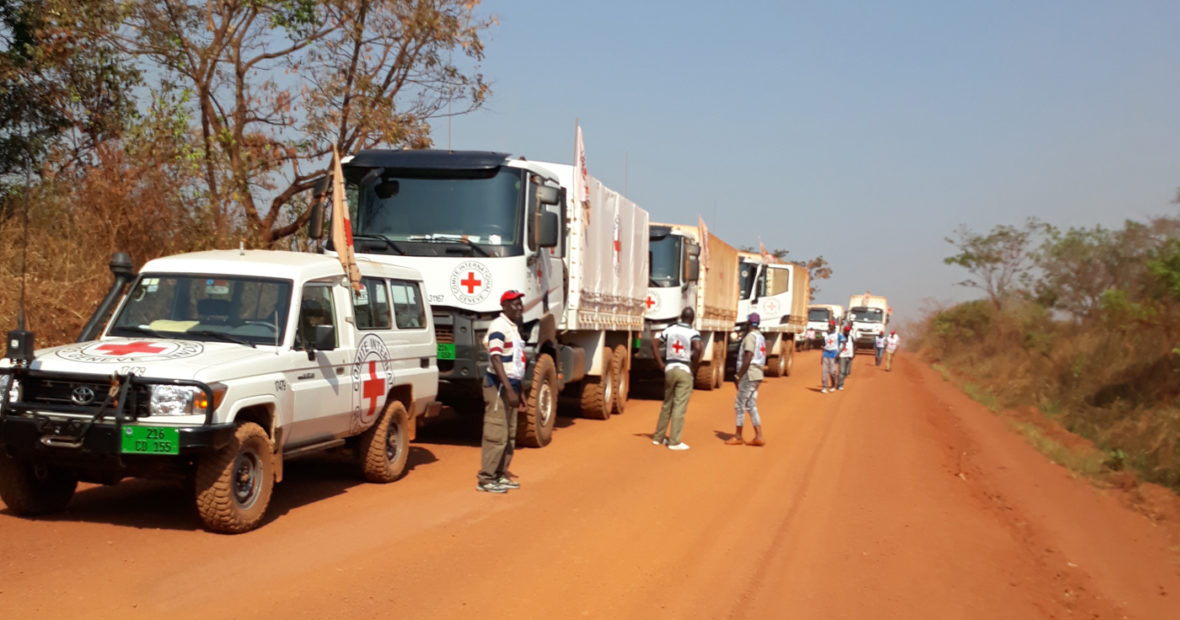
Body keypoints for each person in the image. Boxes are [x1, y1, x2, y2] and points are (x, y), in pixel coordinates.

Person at [477, 290, 527, 493]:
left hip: (511, 386)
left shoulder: (513, 328)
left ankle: (500, 474)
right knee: (496, 434)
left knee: (509, 434)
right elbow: (495, 358)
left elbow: (516, 363)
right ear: (504, 306)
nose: (519, 307)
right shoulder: (499, 326)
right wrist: (509, 389)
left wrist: (520, 392)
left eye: (520, 304)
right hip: (498, 387)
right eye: (514, 304)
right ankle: (486, 479)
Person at [651, 307, 702, 450]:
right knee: (680, 405)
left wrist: (660, 363)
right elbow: (697, 347)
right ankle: (674, 441)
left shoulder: (670, 329)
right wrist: (694, 365)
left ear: (681, 317)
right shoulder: (693, 333)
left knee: (667, 404)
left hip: (669, 368)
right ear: (692, 319)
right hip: (684, 369)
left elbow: (654, 343)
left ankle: (658, 437)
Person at [728, 312, 766, 446]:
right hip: (758, 374)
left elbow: (748, 356)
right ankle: (759, 435)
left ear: (749, 323)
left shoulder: (750, 337)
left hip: (749, 374)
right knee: (751, 405)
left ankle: (738, 436)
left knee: (739, 404)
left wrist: (739, 375)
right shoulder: (760, 337)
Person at [820, 323, 841, 394]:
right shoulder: (825, 335)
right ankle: (824, 387)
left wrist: (839, 353)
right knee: (824, 372)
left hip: (834, 354)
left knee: (832, 372)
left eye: (831, 326)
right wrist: (821, 356)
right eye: (829, 326)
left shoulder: (838, 335)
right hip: (826, 354)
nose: (830, 327)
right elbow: (822, 345)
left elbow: (844, 342)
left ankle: (833, 385)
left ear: (834, 327)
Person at [837, 324, 854, 390]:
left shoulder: (851, 337)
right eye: (846, 331)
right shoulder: (840, 337)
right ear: (844, 331)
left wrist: (853, 354)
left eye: (848, 331)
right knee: (842, 371)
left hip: (849, 356)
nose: (847, 332)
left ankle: (839, 381)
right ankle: (840, 385)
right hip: (842, 356)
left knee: (847, 372)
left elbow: (854, 345)